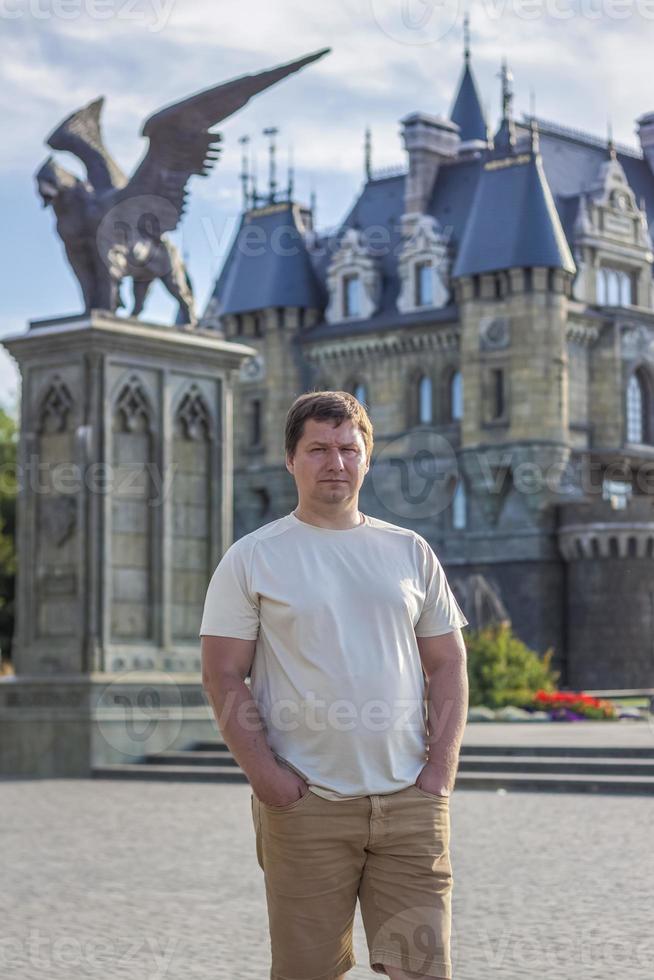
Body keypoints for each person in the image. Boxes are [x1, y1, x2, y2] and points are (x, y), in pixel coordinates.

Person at [200, 390, 469, 980]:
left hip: (410, 805)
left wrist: (438, 776)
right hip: (307, 806)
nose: (336, 462)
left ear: (367, 458)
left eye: (349, 448)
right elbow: (223, 675)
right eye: (318, 449)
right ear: (290, 459)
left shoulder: (409, 551)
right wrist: (271, 783)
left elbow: (448, 663)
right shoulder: (252, 558)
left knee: (424, 971)